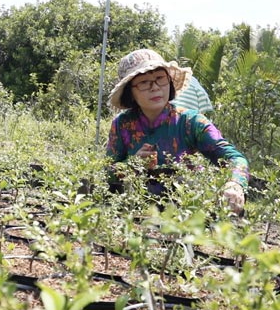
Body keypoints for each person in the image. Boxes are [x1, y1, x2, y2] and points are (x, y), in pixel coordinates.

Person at [106, 49, 248, 215]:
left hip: (188, 211)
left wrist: (234, 183)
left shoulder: (191, 122)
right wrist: (133, 164)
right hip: (136, 213)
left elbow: (235, 158)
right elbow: (107, 171)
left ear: (170, 82)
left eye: (160, 78)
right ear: (131, 92)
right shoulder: (122, 125)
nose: (155, 88)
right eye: (144, 82)